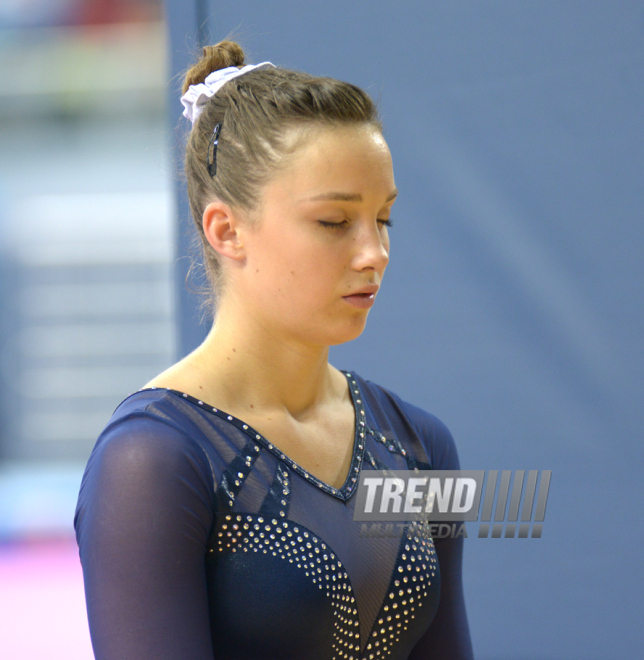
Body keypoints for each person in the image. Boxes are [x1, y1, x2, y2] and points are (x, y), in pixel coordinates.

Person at [74, 41, 474, 660]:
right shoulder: (152, 461)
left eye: (384, 218)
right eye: (335, 222)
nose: (374, 253)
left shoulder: (421, 445)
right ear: (227, 230)